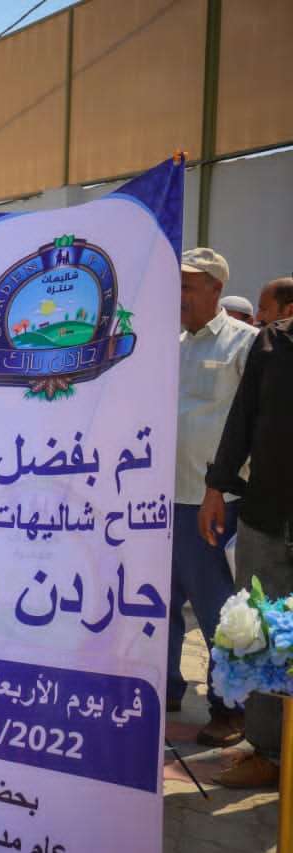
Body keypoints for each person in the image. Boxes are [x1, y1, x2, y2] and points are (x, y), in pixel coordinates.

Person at [201, 283, 293, 788]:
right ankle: (267, 751)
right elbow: (242, 420)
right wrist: (217, 486)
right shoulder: (272, 343)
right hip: (267, 517)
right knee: (260, 634)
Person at [168, 247, 257, 746]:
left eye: (188, 286)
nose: (179, 294)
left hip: (209, 502)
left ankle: (231, 708)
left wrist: (221, 487)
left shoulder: (246, 344)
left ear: (216, 289)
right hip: (159, 500)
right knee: (157, 605)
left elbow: (252, 426)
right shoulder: (172, 345)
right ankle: (163, 688)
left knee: (217, 609)